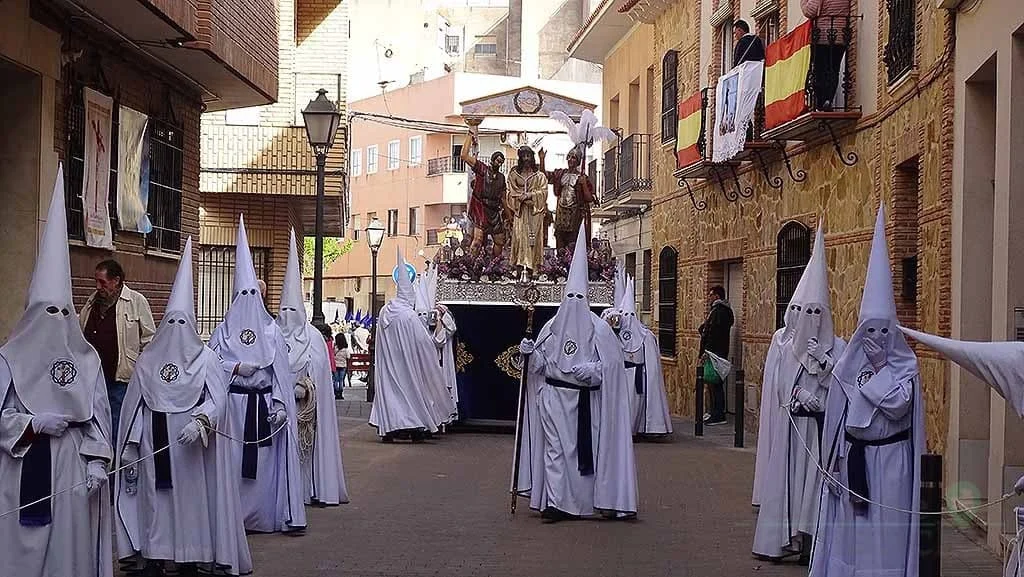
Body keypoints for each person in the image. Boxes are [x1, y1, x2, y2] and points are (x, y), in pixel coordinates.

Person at [114, 237, 251, 577]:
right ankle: (155, 556)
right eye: (170, 323)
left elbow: (218, 398)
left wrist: (202, 420)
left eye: (182, 324)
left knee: (189, 503)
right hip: (154, 441)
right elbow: (136, 404)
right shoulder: (148, 360)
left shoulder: (206, 359)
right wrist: (131, 444)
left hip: (190, 447)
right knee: (154, 502)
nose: (176, 331)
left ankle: (191, 557)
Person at [0, 165, 113, 577]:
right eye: (48, 311)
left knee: (68, 552)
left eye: (63, 312)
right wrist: (30, 424)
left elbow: (98, 419)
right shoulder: (8, 359)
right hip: (19, 467)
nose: (57, 318)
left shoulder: (86, 361)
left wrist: (99, 461)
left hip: (70, 466)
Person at [810, 207, 924, 577]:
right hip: (854, 460)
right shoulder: (848, 367)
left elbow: (897, 407)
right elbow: (840, 419)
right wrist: (835, 461)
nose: (875, 340)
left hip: (889, 464)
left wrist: (879, 371)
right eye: (868, 332)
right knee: (854, 540)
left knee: (884, 539)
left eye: (882, 332)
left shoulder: (906, 369)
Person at [516, 224, 638, 523]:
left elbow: (613, 369)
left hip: (587, 405)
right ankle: (557, 504)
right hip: (555, 400)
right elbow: (538, 368)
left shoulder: (600, 331)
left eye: (578, 298)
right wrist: (529, 354)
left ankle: (587, 502)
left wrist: (595, 371)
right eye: (569, 297)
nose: (573, 303)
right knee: (556, 452)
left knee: (587, 454)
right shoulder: (550, 327)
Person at [752, 224, 844, 565]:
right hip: (794, 432)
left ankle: (815, 544)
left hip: (821, 435)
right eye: (806, 311)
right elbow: (779, 386)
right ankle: (785, 539)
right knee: (791, 487)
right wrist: (796, 396)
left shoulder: (839, 348)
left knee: (814, 491)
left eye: (818, 312)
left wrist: (825, 367)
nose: (811, 318)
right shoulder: (786, 348)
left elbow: (845, 387)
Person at [208, 215, 306, 534]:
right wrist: (235, 367)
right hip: (232, 408)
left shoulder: (272, 331)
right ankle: (232, 517)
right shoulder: (223, 331)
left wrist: (279, 407)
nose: (249, 302)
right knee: (232, 461)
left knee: (263, 465)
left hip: (262, 408)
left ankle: (262, 516)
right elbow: (207, 366)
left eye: (255, 296)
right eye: (244, 296)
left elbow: (280, 375)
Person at [277, 230, 349, 507]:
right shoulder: (272, 335)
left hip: (306, 411)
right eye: (283, 311)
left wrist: (306, 387)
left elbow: (320, 368)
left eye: (292, 312)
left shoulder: (314, 339)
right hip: (278, 408)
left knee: (305, 451)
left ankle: (307, 490)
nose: (287, 318)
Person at [369, 249, 451, 442]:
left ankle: (389, 428)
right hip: (406, 363)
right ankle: (412, 425)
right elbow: (424, 343)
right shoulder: (409, 316)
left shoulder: (384, 312)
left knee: (390, 392)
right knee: (409, 392)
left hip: (389, 363)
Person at [81, 258, 156, 444]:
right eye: (96, 281)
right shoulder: (92, 302)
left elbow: (149, 340)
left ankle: (114, 464)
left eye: (102, 282)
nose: (98, 286)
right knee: (93, 422)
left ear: (116, 280)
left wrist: (141, 370)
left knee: (117, 423)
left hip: (120, 379)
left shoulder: (136, 301)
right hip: (93, 378)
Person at [613, 277, 673, 436]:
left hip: (638, 375)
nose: (629, 318)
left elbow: (652, 365)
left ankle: (635, 429)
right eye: (626, 314)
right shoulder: (614, 335)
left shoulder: (647, 336)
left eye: (631, 314)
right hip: (622, 375)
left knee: (636, 404)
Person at [414, 264, 459, 425]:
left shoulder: (444, 320)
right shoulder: (418, 327)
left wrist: (441, 318)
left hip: (439, 365)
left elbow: (440, 340)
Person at [460, 131, 508, 256]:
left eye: (501, 162)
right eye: (497, 161)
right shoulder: (482, 168)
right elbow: (464, 155)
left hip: (494, 211)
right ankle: (471, 263)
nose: (499, 163)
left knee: (499, 240)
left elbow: (503, 198)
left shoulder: (502, 178)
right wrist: (469, 137)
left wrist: (509, 215)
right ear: (492, 160)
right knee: (477, 240)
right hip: (481, 209)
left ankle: (494, 265)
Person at [539, 147, 595, 250]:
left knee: (572, 247)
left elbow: (589, 198)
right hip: (561, 216)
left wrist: (584, 185)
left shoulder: (582, 178)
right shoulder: (560, 174)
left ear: (578, 161)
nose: (570, 159)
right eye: (569, 157)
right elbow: (543, 176)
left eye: (573, 157)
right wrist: (542, 159)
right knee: (560, 247)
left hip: (575, 217)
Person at [506, 146, 549, 278]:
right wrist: (520, 198)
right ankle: (518, 266)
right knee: (519, 237)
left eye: (528, 156)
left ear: (532, 157)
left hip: (534, 212)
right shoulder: (514, 175)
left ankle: (535, 267)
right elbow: (510, 192)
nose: (526, 159)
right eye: (523, 156)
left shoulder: (539, 176)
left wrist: (529, 195)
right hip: (520, 211)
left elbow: (544, 192)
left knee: (534, 238)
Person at [801, 0, 851, 110]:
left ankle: (821, 102)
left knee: (820, 71)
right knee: (833, 70)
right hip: (840, 36)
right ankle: (829, 99)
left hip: (823, 36)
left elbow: (810, 10)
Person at [699, 285, 734, 425]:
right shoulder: (720, 310)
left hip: (715, 353)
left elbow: (713, 332)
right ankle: (714, 412)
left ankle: (718, 414)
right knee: (712, 383)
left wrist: (706, 351)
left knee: (715, 383)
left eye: (711, 294)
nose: (709, 297)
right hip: (717, 352)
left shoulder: (719, 311)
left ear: (717, 296)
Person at [333, 333, 350, 398]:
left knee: (336, 379)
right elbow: (348, 357)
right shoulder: (345, 349)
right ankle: (340, 393)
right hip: (343, 366)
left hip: (336, 365)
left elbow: (332, 355)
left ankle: (336, 393)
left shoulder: (335, 348)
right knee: (341, 380)